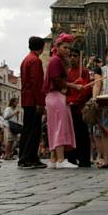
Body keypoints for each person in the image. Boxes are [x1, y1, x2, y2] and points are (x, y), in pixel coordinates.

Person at [44, 33, 81, 169]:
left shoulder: (56, 60)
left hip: (54, 96)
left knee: (54, 126)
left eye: (69, 48)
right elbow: (57, 80)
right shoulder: (56, 61)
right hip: (56, 95)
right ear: (57, 47)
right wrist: (74, 86)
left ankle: (53, 159)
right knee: (60, 126)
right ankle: (60, 159)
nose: (67, 50)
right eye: (65, 47)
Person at [18, 36, 47, 169]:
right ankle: (29, 158)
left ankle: (25, 157)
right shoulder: (35, 61)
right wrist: (41, 103)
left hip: (26, 98)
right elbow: (37, 83)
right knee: (34, 130)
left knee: (27, 129)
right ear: (41, 48)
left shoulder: (26, 59)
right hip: (33, 100)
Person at [65, 50, 92, 167]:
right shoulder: (67, 73)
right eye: (70, 56)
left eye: (74, 56)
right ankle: (71, 158)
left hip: (80, 107)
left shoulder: (84, 71)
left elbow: (86, 89)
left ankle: (84, 159)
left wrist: (77, 101)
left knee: (82, 134)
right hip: (70, 107)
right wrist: (69, 101)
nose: (72, 58)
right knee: (71, 134)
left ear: (79, 58)